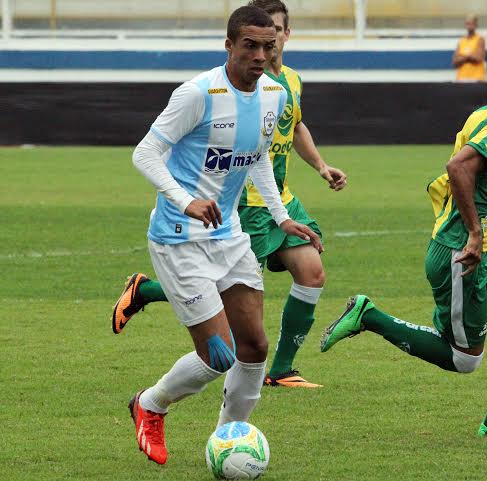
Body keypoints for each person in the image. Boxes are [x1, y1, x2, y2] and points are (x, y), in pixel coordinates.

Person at [320, 53, 487, 438]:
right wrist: (474, 233)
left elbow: (482, 179)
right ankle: (369, 315)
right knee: (464, 359)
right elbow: (458, 168)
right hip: (463, 250)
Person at [112, 0, 347, 389]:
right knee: (221, 348)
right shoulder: (199, 92)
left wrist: (292, 202)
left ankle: (273, 380)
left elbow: (267, 149)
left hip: (248, 218)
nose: (261, 54)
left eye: (268, 44)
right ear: (230, 44)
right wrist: (186, 201)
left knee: (276, 315)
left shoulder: (281, 88)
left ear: (282, 39)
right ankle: (151, 394)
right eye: (251, 45)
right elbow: (145, 153)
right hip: (202, 223)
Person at [452, 14, 486, 82]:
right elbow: (454, 62)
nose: (469, 26)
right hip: (461, 79)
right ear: (465, 25)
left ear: (476, 25)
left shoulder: (480, 39)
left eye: (472, 23)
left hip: (476, 79)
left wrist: (462, 56)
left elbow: (478, 58)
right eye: (467, 23)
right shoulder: (461, 41)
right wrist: (471, 55)